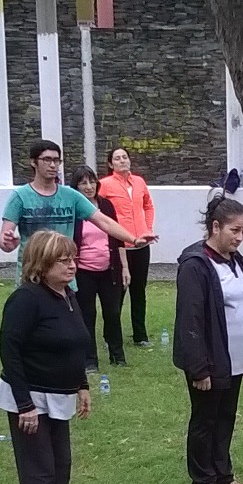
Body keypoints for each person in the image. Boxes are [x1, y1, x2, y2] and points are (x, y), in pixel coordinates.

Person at [0, 231, 94, 484]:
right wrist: (25, 405)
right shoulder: (26, 299)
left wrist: (82, 385)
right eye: (62, 260)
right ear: (41, 264)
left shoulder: (67, 295)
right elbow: (10, 351)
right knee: (38, 472)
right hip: (30, 399)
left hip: (59, 396)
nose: (71, 265)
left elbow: (76, 344)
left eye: (73, 258)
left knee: (60, 467)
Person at [175, 196, 243, 484]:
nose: (239, 238)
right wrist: (199, 367)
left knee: (225, 417)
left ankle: (223, 476)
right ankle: (203, 482)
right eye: (234, 230)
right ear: (215, 227)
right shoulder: (195, 265)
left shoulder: (235, 260)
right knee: (205, 419)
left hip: (234, 359)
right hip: (209, 361)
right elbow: (191, 319)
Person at [0, 140, 153, 286]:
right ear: (33, 162)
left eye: (56, 160)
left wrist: (133, 239)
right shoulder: (20, 197)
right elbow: (5, 239)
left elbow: (104, 222)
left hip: (64, 279)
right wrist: (7, 243)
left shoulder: (71, 196)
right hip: (32, 276)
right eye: (47, 160)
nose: (53, 165)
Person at [67, 166, 126, 370]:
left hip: (109, 270)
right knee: (87, 315)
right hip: (84, 271)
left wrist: (124, 268)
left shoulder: (106, 206)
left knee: (113, 313)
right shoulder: (73, 209)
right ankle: (90, 360)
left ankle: (117, 356)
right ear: (75, 186)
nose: (89, 186)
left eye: (92, 181)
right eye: (83, 182)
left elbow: (117, 238)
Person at [104, 147, 157, 348]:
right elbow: (98, 209)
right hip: (119, 244)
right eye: (117, 159)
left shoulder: (139, 182)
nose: (122, 161)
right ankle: (111, 335)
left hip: (141, 243)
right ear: (111, 164)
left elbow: (148, 205)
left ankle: (140, 335)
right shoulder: (105, 185)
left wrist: (148, 228)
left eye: (124, 157)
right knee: (118, 290)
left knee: (138, 290)